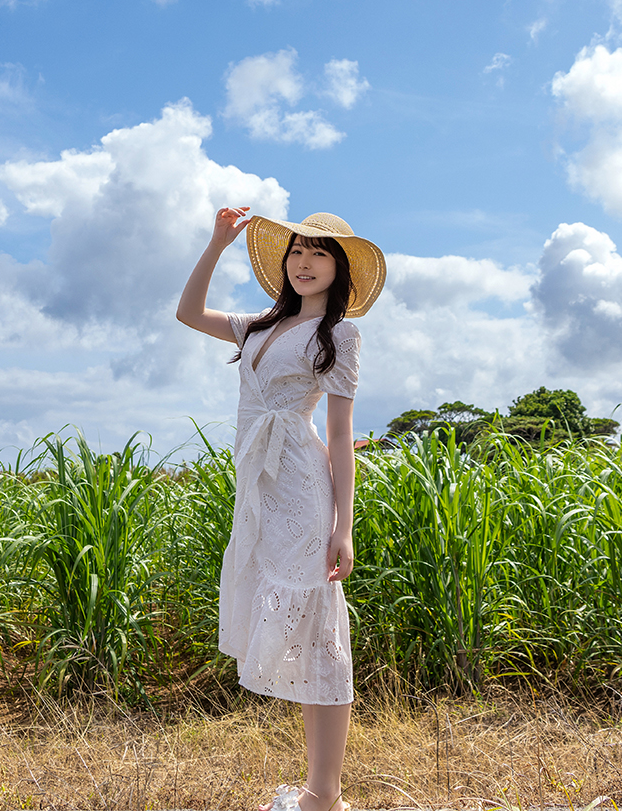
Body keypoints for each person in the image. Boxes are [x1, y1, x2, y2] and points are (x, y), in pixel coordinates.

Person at [175, 207, 387, 811]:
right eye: (297, 251)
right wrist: (217, 241)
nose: (304, 262)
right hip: (259, 489)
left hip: (301, 486)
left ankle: (325, 794)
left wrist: (344, 526)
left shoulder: (339, 336)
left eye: (320, 253)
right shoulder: (257, 328)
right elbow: (189, 312)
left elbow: (341, 436)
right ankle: (320, 790)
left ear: (339, 267)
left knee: (320, 631)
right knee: (305, 632)